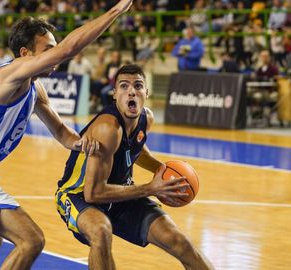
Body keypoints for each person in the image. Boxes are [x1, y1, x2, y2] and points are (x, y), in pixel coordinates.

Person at [0, 1, 134, 269]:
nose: (55, 56)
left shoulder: (35, 88)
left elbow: (62, 133)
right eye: (48, 50)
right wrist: (114, 12)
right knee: (31, 240)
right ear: (25, 53)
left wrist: (82, 143)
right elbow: (70, 48)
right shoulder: (9, 75)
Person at [55, 64, 215, 269]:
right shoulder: (108, 129)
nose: (131, 91)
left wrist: (164, 172)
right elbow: (93, 193)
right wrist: (151, 188)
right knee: (100, 231)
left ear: (146, 93)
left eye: (138, 85)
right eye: (124, 86)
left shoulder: (146, 118)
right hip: (78, 195)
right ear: (114, 94)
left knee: (179, 242)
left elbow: (135, 151)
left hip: (121, 195)